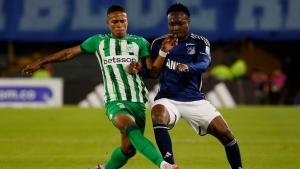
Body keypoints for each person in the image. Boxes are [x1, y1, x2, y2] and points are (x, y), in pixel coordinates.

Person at [22, 4, 179, 169]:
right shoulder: (98, 41)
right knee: (130, 127)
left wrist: (161, 53)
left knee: (128, 150)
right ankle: (163, 165)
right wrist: (41, 62)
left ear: (127, 22)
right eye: (115, 21)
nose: (119, 25)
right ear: (108, 23)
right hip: (115, 100)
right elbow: (69, 53)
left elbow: (153, 72)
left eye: (122, 21)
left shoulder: (140, 43)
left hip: (138, 102)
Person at [130, 3, 243, 169]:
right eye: (171, 24)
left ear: (188, 21)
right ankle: (170, 165)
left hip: (194, 99)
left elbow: (204, 64)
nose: (175, 27)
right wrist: (140, 71)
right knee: (157, 113)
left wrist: (189, 67)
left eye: (179, 23)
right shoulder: (158, 44)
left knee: (226, 134)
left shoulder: (200, 42)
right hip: (167, 98)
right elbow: (153, 72)